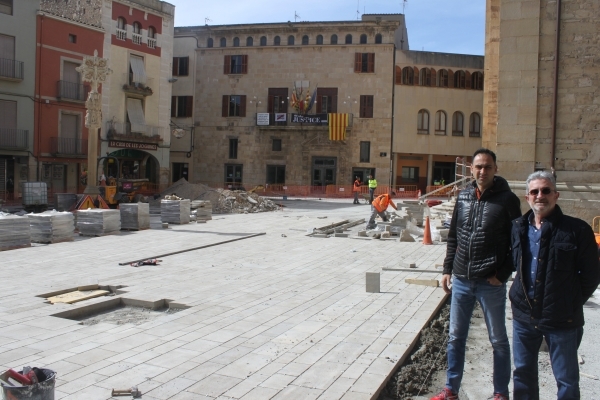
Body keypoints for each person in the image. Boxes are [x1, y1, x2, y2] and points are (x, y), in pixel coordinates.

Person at [432, 148, 521, 400]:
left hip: (490, 282)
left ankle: (500, 393)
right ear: (471, 169)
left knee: (498, 340)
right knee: (455, 337)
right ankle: (450, 390)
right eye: (478, 166)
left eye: (488, 167)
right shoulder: (463, 197)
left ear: (495, 169)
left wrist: (503, 273)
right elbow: (453, 237)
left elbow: (518, 242)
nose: (483, 171)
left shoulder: (508, 200)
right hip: (461, 279)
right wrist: (447, 269)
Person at [510, 171, 599, 400]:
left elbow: (591, 275)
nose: (540, 195)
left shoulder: (577, 230)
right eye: (535, 191)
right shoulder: (518, 227)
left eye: (546, 190)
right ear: (527, 197)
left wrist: (568, 302)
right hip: (524, 316)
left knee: (566, 379)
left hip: (562, 320)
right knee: (522, 375)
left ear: (556, 195)